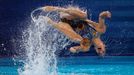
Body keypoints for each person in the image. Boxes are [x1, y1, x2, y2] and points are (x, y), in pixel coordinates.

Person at [42, 6, 111, 56]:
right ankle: (56, 8)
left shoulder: (86, 46)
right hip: (70, 15)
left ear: (95, 49)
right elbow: (101, 16)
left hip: (65, 23)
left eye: (99, 52)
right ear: (104, 45)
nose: (100, 51)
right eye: (102, 51)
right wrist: (106, 13)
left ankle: (50, 22)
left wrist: (74, 49)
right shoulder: (100, 30)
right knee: (84, 15)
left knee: (78, 39)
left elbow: (75, 48)